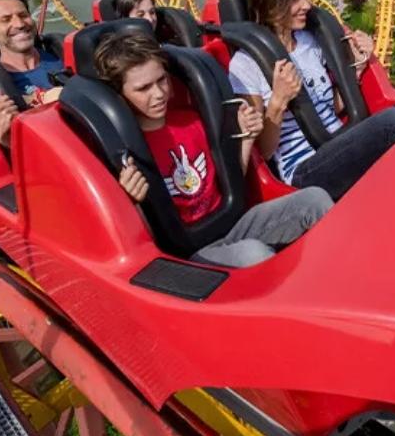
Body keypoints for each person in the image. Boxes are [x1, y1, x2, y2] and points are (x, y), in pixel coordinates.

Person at [95, 31, 332, 267]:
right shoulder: (128, 152)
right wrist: (130, 201)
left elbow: (230, 180)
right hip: (190, 252)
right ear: (120, 95)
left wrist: (247, 138)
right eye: (143, 88)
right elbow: (142, 241)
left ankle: (341, 270)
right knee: (254, 254)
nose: (158, 94)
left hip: (230, 224)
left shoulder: (193, 121)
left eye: (162, 80)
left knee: (315, 198)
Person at [228, 0, 395, 201]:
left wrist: (357, 66)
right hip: (303, 168)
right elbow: (263, 150)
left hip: (337, 140)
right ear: (273, 6)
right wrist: (279, 100)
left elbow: (331, 107)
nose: (307, 5)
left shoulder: (308, 41)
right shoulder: (246, 64)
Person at [0, 0, 64, 146]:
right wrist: (0, 137)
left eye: (23, 15)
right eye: (6, 20)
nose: (19, 24)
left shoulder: (61, 57)